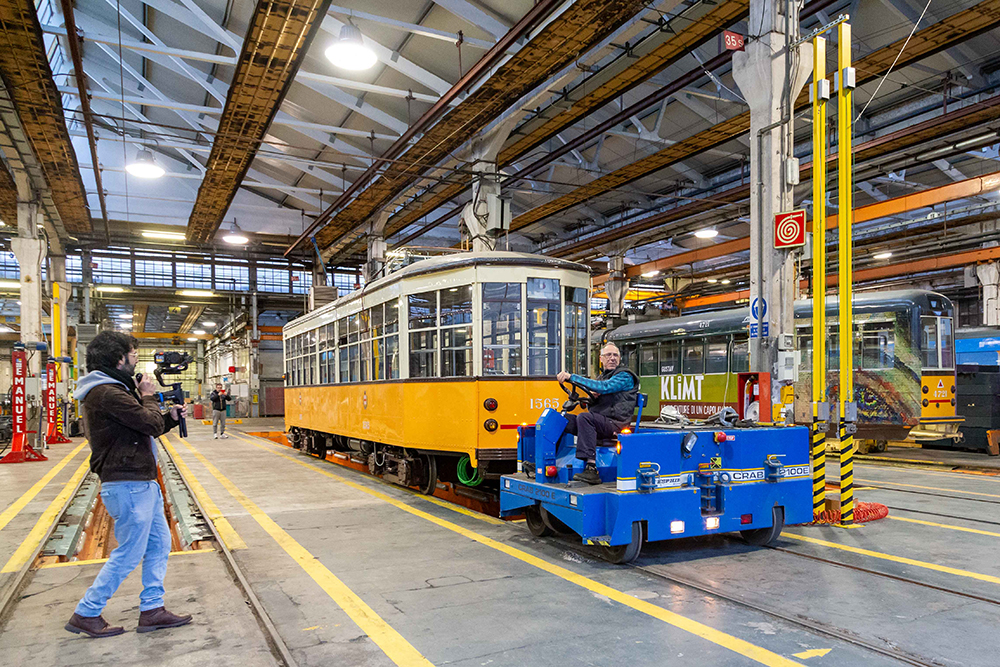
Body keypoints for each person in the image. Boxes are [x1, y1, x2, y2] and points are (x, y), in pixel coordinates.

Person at [65, 332, 191, 639]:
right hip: (128, 484)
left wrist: (170, 418)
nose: (136, 361)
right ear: (119, 359)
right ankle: (87, 611)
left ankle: (152, 609)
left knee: (159, 544)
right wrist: (147, 396)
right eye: (133, 355)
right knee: (130, 553)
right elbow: (147, 422)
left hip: (139, 482)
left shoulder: (114, 391)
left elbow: (147, 426)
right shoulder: (107, 393)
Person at [556, 342, 638, 485]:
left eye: (615, 355)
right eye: (608, 355)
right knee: (561, 419)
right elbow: (598, 391)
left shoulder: (624, 376)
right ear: (601, 359)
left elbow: (604, 387)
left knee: (585, 418)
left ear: (619, 358)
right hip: (602, 422)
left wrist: (572, 377)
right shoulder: (603, 377)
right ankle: (545, 459)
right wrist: (586, 400)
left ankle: (591, 468)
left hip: (616, 425)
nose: (612, 358)